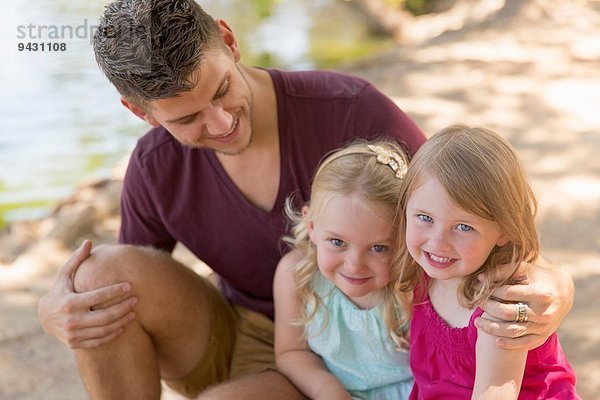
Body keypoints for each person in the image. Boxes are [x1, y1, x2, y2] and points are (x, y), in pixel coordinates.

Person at [36, 0, 574, 398]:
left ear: (228, 39)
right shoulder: (156, 166)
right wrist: (54, 310)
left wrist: (554, 284)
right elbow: (135, 281)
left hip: (383, 335)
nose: (219, 123)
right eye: (187, 118)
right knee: (98, 283)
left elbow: (463, 212)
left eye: (221, 90)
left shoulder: (352, 110)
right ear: (140, 112)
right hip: (253, 335)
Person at [395, 125, 579, 399]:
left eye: (464, 227)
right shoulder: (421, 274)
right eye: (425, 218)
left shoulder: (500, 305)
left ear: (504, 230)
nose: (437, 242)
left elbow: (495, 392)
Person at [274, 139, 413, 400]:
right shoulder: (296, 276)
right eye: (337, 242)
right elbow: (291, 352)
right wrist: (327, 389)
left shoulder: (412, 288)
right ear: (312, 227)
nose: (354, 265)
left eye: (378, 248)